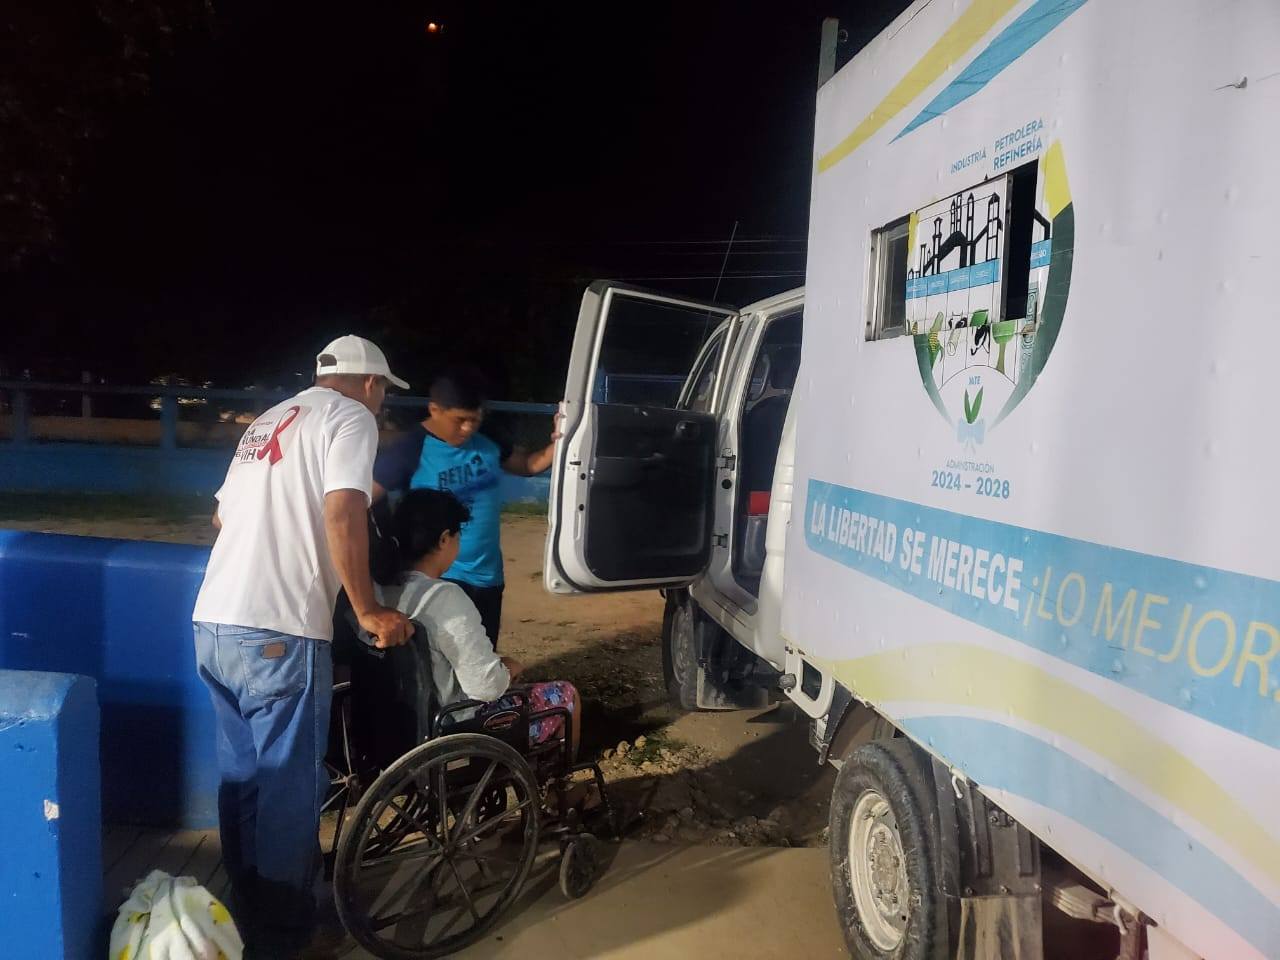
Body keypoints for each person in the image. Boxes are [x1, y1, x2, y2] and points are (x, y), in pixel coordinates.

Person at [191, 334, 414, 959]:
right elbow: (343, 511)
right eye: (383, 391)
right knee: (289, 791)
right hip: (279, 630)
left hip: (214, 621)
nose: (381, 403)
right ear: (370, 383)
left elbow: (221, 518)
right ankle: (284, 938)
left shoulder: (269, 419)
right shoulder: (350, 418)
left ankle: (247, 911)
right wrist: (367, 609)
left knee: (244, 779)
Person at [374, 488, 581, 753]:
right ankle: (558, 777)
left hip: (396, 722)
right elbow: (486, 688)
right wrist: (506, 669)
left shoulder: (378, 594)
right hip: (452, 725)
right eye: (457, 535)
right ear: (444, 539)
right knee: (566, 695)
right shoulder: (444, 598)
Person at [372, 366, 558, 649]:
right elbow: (364, 498)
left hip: (488, 576)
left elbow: (527, 465)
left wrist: (561, 440)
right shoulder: (410, 449)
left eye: (475, 419)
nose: (468, 428)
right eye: (459, 420)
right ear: (435, 410)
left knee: (483, 653)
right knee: (443, 660)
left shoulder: (487, 439)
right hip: (440, 579)